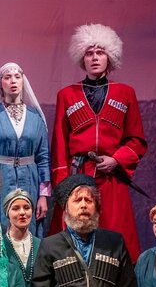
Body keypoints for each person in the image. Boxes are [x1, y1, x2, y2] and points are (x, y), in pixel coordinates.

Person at [50, 24, 147, 262]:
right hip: (78, 175)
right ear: (81, 58)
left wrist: (117, 159)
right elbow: (59, 143)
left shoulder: (125, 93)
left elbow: (137, 140)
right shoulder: (67, 95)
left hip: (111, 179)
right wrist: (63, 185)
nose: (94, 58)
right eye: (89, 53)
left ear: (109, 57)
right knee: (73, 239)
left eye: (100, 52)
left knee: (114, 235)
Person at [0, 62, 50, 235]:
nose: (13, 81)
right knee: (0, 226)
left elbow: (43, 157)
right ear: (1, 83)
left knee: (27, 227)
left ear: (23, 81)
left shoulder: (35, 116)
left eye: (17, 77)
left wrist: (44, 196)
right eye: (7, 77)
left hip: (29, 180)